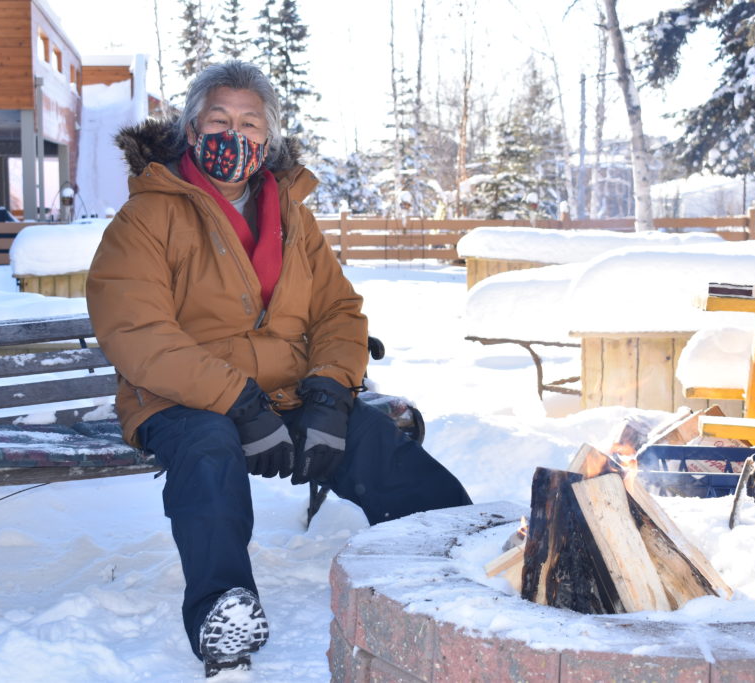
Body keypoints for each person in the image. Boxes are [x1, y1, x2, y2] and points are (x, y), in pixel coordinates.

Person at [86, 60, 471, 678]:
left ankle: (458, 561)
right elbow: (137, 333)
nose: (234, 135)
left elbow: (338, 311)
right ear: (191, 127)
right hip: (182, 397)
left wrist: (327, 392)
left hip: (288, 394)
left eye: (250, 122)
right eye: (218, 119)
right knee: (208, 453)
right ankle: (222, 612)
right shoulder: (148, 217)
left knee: (373, 438)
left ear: (268, 139)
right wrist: (238, 402)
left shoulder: (292, 214)